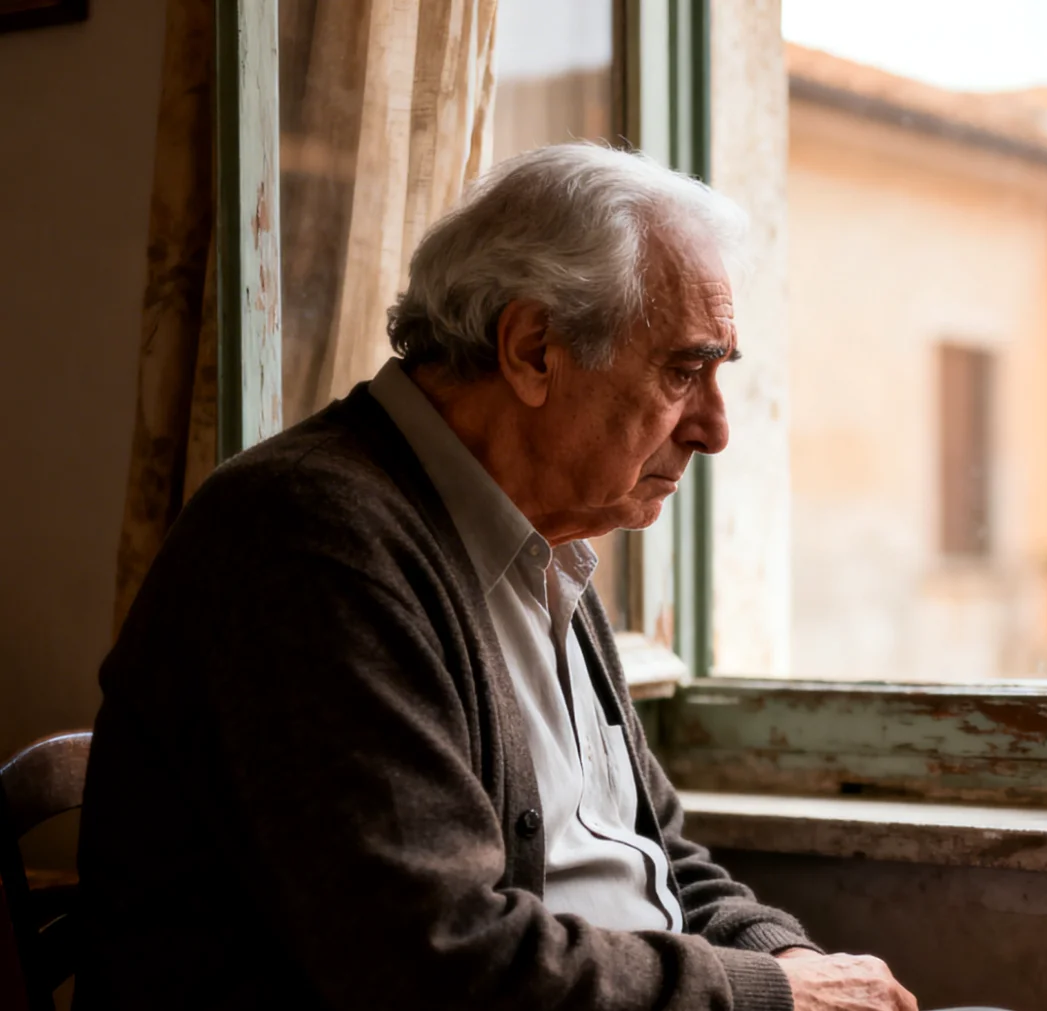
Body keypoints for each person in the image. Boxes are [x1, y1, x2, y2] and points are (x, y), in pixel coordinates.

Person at [77, 143, 931, 1011]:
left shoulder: (543, 546)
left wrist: (795, 966)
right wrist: (768, 997)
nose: (714, 429)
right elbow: (439, 962)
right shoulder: (306, 542)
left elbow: (655, 856)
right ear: (532, 349)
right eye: (683, 371)